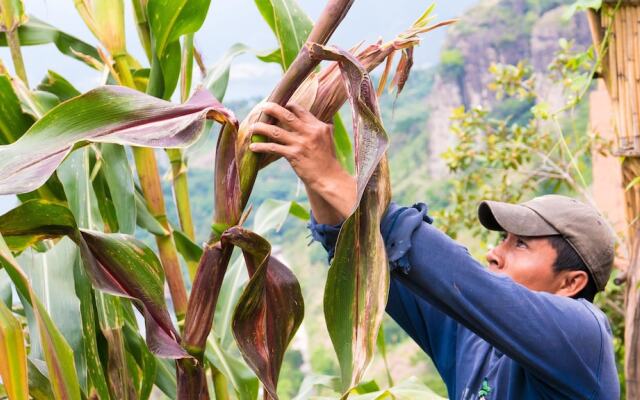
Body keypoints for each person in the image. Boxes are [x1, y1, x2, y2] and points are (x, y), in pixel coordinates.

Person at [249, 102, 620, 400]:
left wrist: (335, 179)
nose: (494, 253)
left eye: (520, 244)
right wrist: (316, 176)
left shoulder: (584, 338)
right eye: (503, 239)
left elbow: (466, 280)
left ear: (571, 283)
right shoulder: (472, 336)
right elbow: (361, 249)